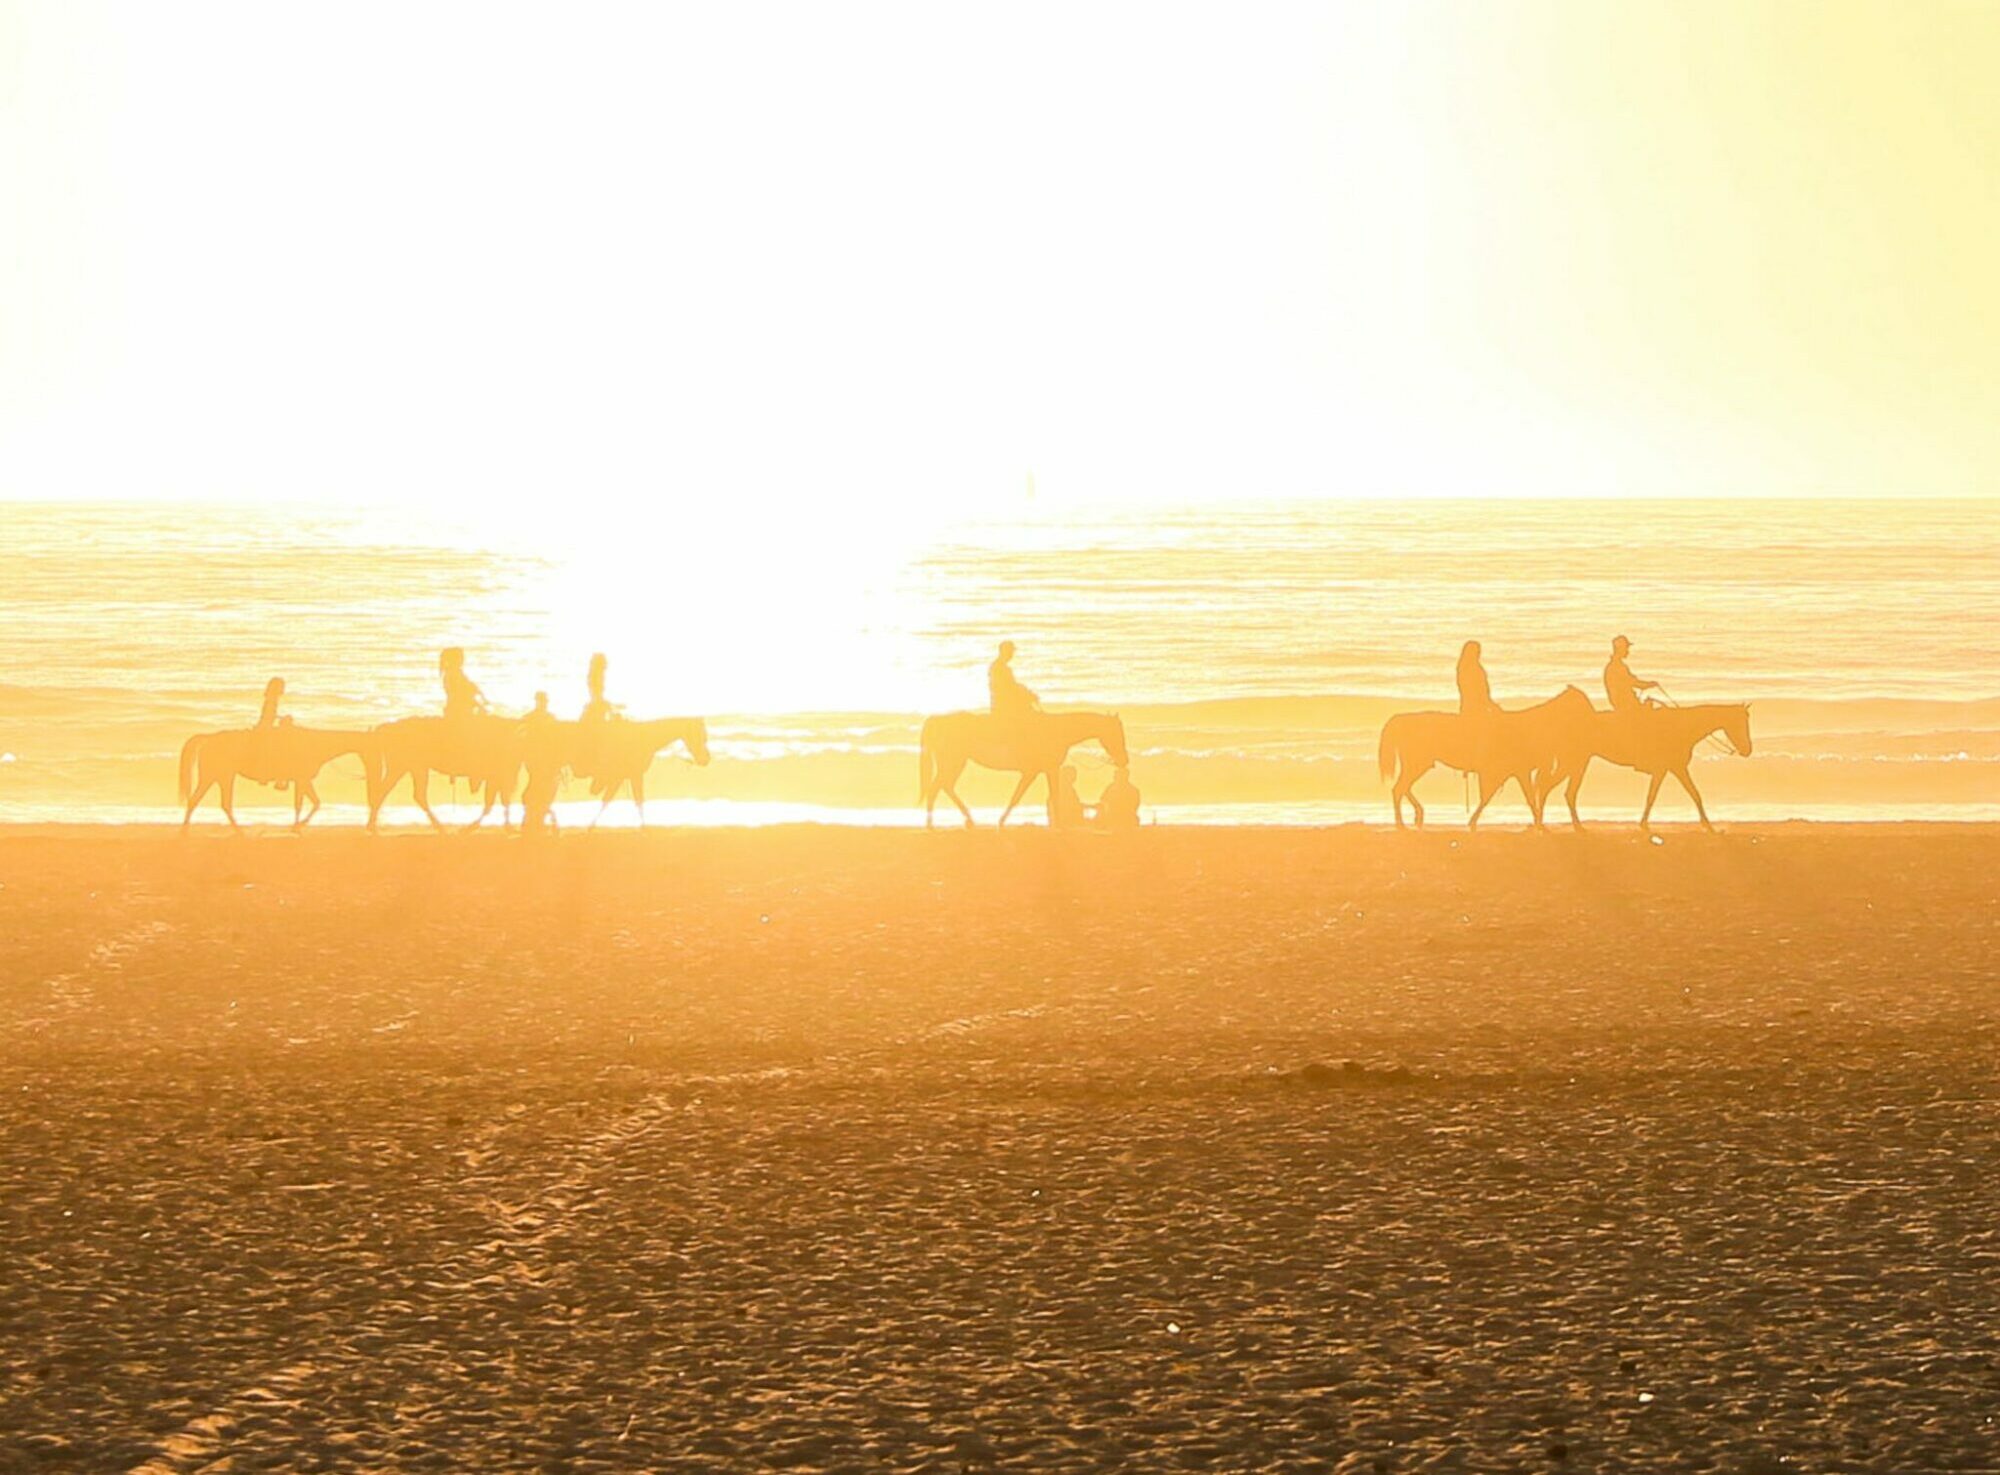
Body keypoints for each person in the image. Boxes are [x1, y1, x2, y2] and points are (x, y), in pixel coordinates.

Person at [520, 691, 562, 833]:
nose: (543, 703)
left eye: (544, 701)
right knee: (539, 789)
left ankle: (535, 820)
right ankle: (534, 821)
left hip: (543, 761)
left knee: (541, 790)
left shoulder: (537, 718)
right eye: (542, 701)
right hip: (538, 761)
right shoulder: (540, 718)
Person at [253, 676, 293, 789]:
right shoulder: (272, 699)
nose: (283, 689)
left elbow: (269, 714)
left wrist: (280, 717)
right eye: (281, 687)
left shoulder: (271, 698)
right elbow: (268, 716)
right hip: (265, 728)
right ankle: (274, 776)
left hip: (265, 726)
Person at [1604, 635, 1660, 715]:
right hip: (1626, 706)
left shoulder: (1614, 666)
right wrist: (1650, 684)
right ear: (1620, 649)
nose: (1628, 651)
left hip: (1624, 705)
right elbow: (1634, 683)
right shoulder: (1617, 667)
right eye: (1626, 648)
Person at [989, 641, 1042, 723]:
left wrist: (1024, 691)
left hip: (1000, 704)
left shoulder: (999, 666)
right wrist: (1027, 696)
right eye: (1010, 652)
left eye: (1012, 652)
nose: (1011, 655)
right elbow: (1008, 690)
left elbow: (1011, 686)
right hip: (1003, 706)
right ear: (1003, 652)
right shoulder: (1000, 668)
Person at [439, 647, 488, 722]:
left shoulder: (457, 674)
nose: (462, 660)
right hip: (457, 712)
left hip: (463, 709)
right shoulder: (452, 675)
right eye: (460, 658)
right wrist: (474, 702)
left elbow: (469, 688)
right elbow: (457, 694)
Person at [1456, 640, 1497, 715]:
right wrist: (1491, 705)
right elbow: (1479, 691)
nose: (1479, 653)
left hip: (1467, 708)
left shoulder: (1463, 669)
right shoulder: (1473, 669)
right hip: (1477, 709)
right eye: (1477, 651)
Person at [1095, 765, 1141, 830]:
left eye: (1117, 775)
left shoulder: (1133, 790)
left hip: (1126, 822)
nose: (1114, 777)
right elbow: (1102, 800)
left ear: (1125, 776)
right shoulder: (1110, 787)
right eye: (1115, 775)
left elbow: (1135, 806)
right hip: (1111, 820)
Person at [1051, 764, 1085, 829]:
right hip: (1067, 824)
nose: (1075, 777)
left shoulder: (1068, 789)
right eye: (1073, 775)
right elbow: (1069, 806)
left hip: (1068, 823)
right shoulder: (1062, 789)